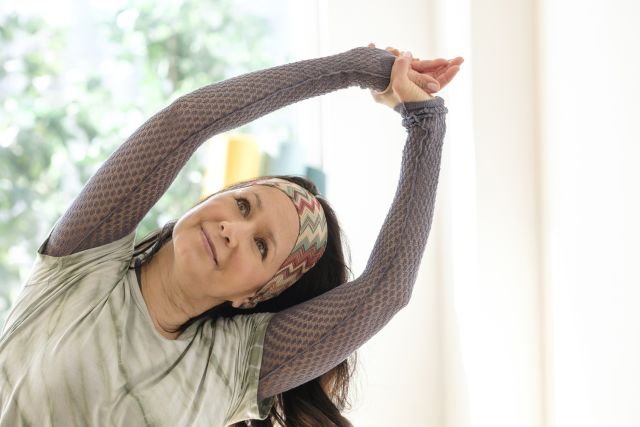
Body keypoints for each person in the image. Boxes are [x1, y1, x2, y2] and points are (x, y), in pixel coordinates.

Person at [0, 42, 462, 426]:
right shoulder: (85, 264)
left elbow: (387, 288)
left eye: (260, 246)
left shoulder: (234, 364)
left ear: (254, 295)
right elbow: (187, 120)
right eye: (242, 205)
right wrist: (362, 68)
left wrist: (425, 122)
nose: (231, 230)